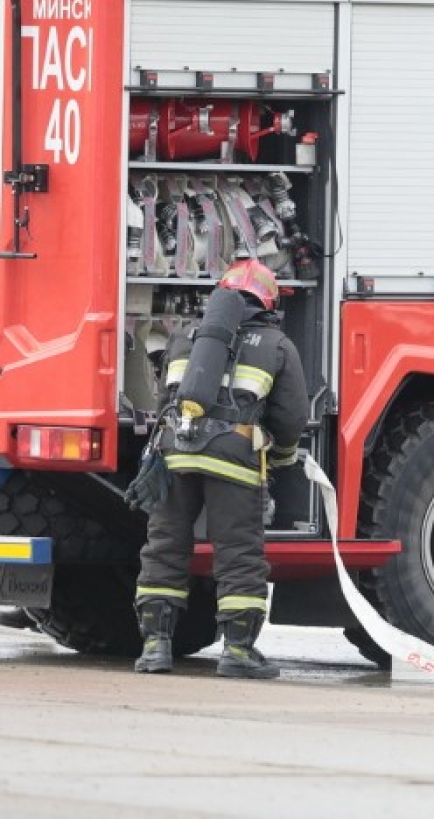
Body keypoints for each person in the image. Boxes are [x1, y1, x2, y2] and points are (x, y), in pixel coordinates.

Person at [133, 259, 309, 678]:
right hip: (234, 459)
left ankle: (155, 647)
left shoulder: (184, 337)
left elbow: (165, 401)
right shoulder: (277, 344)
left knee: (164, 548)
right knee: (239, 554)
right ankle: (238, 651)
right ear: (267, 301)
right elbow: (291, 415)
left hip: (176, 453)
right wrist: (281, 457)